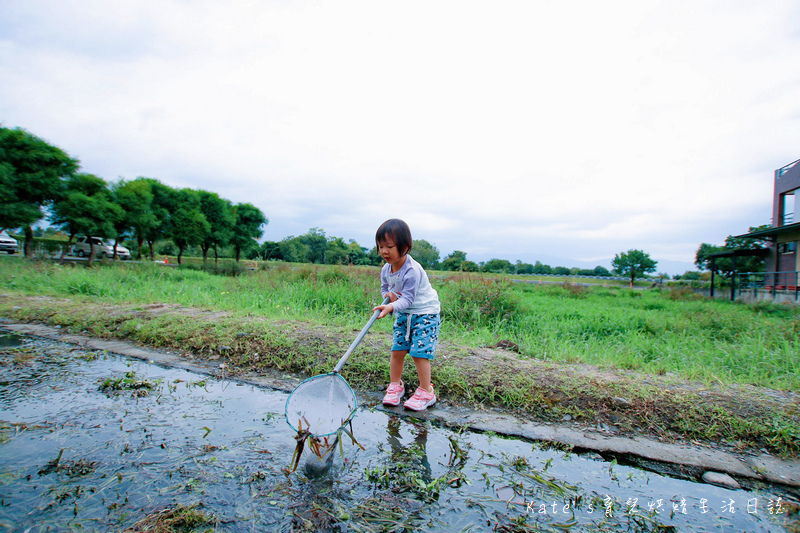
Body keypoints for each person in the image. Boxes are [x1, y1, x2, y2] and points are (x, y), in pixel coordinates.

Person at [373, 219, 441, 411]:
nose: (384, 251)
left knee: (419, 353)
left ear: (406, 247)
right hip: (403, 311)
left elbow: (409, 299)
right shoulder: (386, 269)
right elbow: (385, 289)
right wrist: (388, 297)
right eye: (380, 247)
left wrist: (392, 306)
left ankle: (426, 391)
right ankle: (396, 386)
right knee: (398, 350)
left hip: (425, 312)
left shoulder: (412, 270)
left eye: (390, 246)